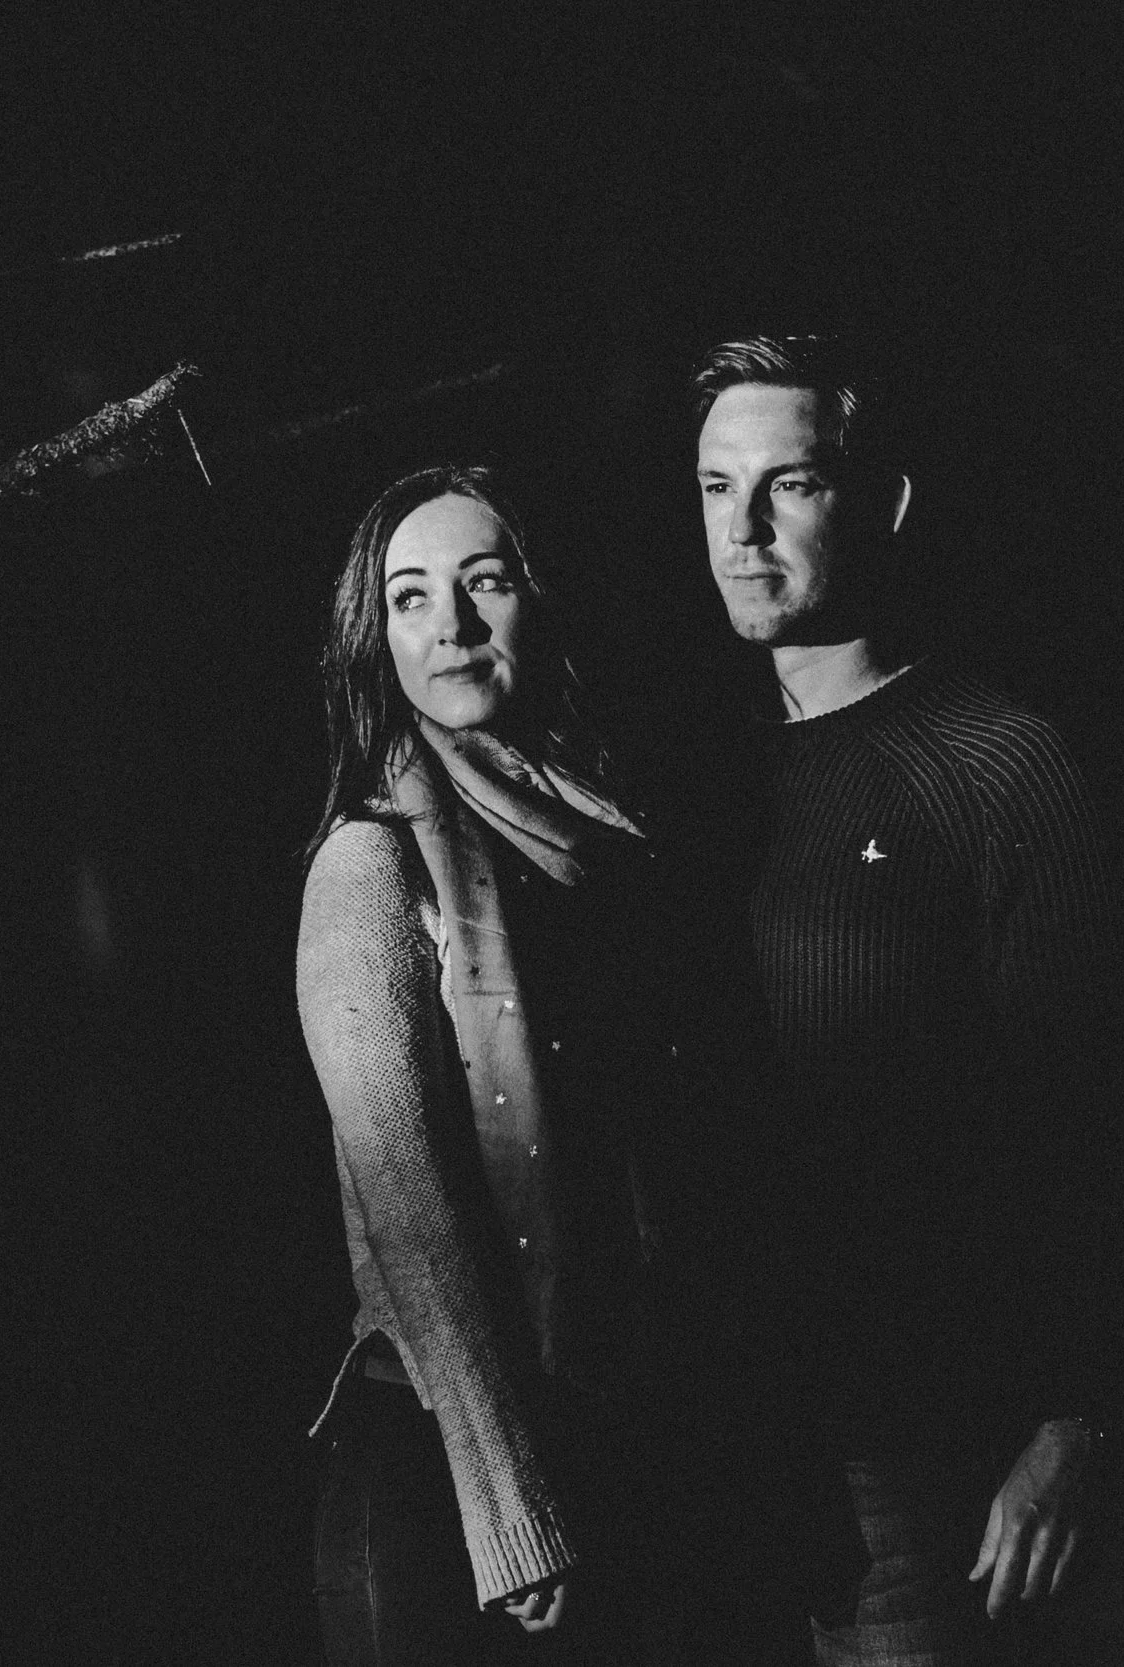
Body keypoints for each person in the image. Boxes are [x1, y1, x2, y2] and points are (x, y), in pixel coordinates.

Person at [689, 335, 1124, 1666]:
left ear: (881, 498)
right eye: (718, 487)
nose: (746, 528)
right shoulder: (704, 783)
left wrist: (1075, 1418)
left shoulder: (997, 760)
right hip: (732, 1445)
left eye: (793, 485)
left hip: (929, 1458)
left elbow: (1100, 1109)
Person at [297, 463, 709, 1664]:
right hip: (447, 1470)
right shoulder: (367, 869)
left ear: (536, 599)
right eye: (411, 597)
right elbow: (407, 1201)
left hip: (609, 1424)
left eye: (483, 582)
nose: (454, 624)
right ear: (374, 642)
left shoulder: (605, 844)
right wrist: (509, 1502)